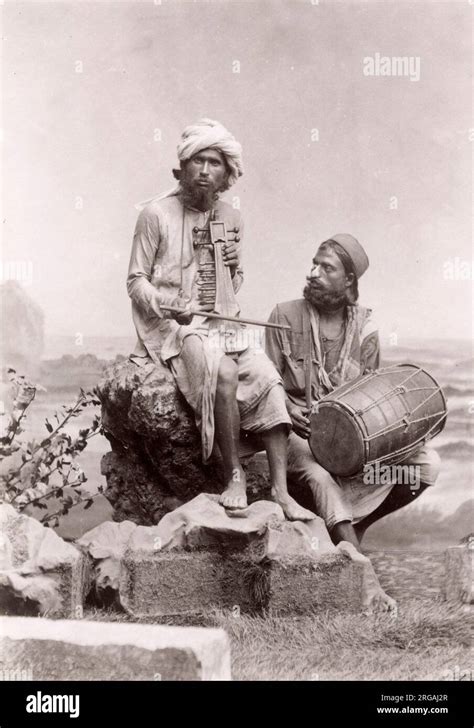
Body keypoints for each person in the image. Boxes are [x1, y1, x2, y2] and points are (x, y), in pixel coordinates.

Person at [127, 118, 315, 521]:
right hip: (175, 327)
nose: (205, 170)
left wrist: (232, 267)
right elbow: (135, 281)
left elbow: (232, 284)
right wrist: (165, 303)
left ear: (227, 174)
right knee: (224, 373)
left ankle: (281, 492)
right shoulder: (155, 215)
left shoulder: (231, 217)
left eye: (215, 162)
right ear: (183, 166)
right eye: (198, 160)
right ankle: (234, 476)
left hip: (222, 320)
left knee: (266, 376)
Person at [265, 234, 441, 550]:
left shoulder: (366, 331)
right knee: (319, 476)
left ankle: (360, 529)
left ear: (348, 280)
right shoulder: (284, 316)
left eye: (326, 268)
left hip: (348, 439)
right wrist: (290, 412)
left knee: (426, 465)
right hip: (293, 431)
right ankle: (361, 574)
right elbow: (266, 387)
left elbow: (373, 400)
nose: (313, 273)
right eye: (314, 264)